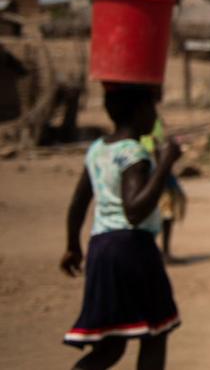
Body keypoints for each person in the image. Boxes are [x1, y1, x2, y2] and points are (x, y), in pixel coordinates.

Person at [60, 84, 182, 370]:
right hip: (132, 249)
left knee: (110, 346)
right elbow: (135, 211)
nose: (155, 115)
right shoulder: (133, 153)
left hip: (101, 250)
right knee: (156, 333)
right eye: (151, 108)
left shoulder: (97, 150)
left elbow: (78, 203)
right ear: (139, 111)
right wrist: (165, 164)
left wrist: (72, 245)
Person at [140, 118, 187, 262]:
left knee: (164, 217)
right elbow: (157, 157)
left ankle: (162, 251)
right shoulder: (147, 136)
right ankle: (162, 252)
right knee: (164, 217)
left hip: (161, 181)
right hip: (159, 182)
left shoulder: (152, 128)